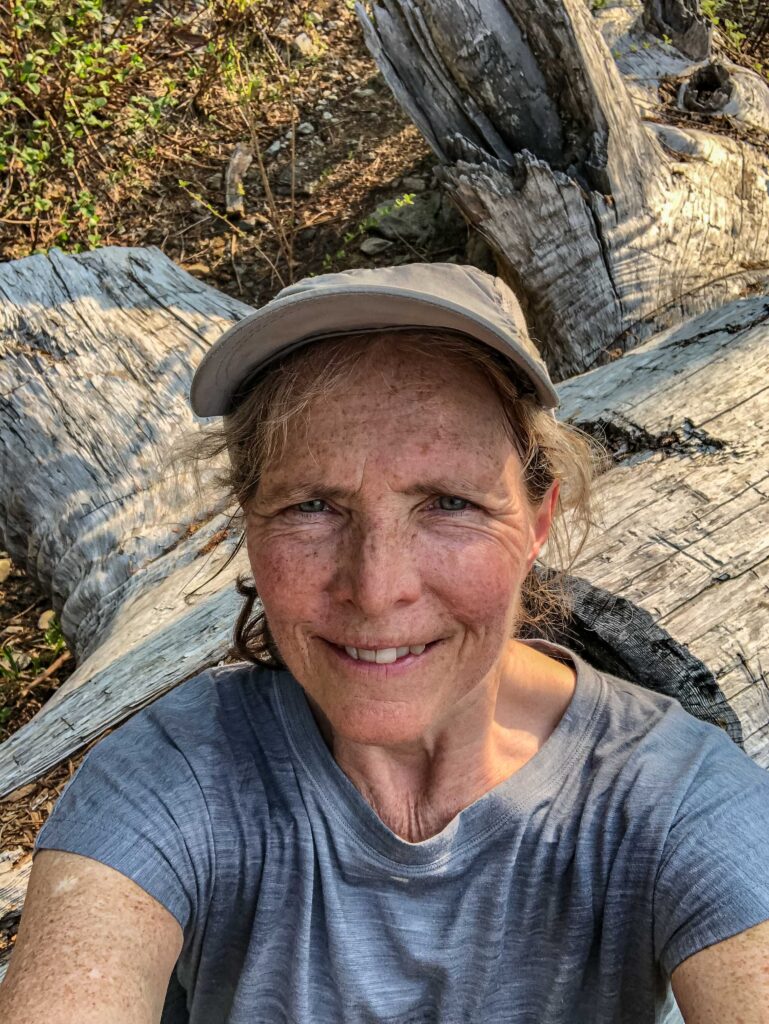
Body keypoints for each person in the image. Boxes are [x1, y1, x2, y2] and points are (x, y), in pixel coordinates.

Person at [1, 264, 767, 1024]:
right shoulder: (173, 776)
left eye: (448, 503)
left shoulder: (674, 797)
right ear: (249, 523)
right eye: (311, 506)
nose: (375, 587)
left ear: (537, 522)